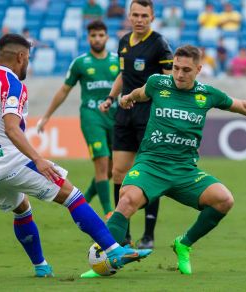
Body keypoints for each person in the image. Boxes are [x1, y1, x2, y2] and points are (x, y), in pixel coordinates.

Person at [0, 33, 151, 278]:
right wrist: (38, 159)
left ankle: (41, 267)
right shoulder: (13, 85)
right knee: (73, 196)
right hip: (12, 162)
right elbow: (11, 128)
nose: (28, 62)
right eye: (27, 57)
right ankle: (113, 250)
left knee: (22, 209)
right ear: (20, 57)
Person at [107, 44, 246, 275]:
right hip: (152, 164)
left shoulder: (207, 94)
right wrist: (128, 97)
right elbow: (140, 93)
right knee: (126, 198)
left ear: (199, 69)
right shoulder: (157, 83)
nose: (179, 74)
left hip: (184, 170)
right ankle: (105, 258)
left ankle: (184, 243)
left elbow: (243, 106)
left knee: (224, 200)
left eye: (186, 70)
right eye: (176, 68)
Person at [98, 0, 173, 251]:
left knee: (150, 174)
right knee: (119, 172)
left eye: (144, 15)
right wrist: (110, 97)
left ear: (152, 16)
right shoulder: (122, 42)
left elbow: (167, 81)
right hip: (124, 112)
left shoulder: (160, 44)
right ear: (129, 16)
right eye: (135, 15)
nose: (139, 19)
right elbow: (123, 75)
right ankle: (124, 232)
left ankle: (149, 234)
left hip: (149, 113)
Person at [36, 20, 118, 219]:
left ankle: (85, 200)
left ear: (107, 37)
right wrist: (46, 117)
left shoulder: (118, 60)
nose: (97, 39)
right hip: (91, 117)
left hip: (116, 117)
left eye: (100, 35)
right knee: (101, 163)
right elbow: (64, 90)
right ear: (88, 38)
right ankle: (109, 212)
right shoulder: (80, 63)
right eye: (93, 35)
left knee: (112, 169)